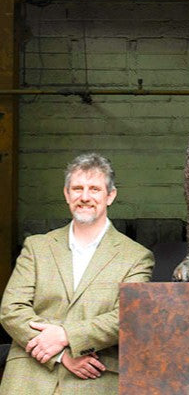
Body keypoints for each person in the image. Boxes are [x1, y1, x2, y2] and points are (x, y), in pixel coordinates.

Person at [0, 153, 153, 394]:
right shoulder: (37, 246)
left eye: (94, 189)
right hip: (29, 379)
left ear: (110, 196)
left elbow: (126, 317)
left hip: (94, 380)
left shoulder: (136, 257)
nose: (84, 197)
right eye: (77, 188)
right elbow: (12, 309)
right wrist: (61, 354)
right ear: (66, 194)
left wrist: (66, 335)